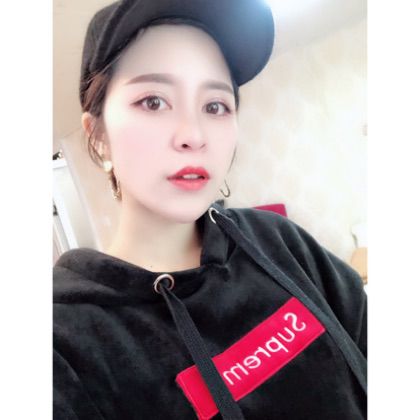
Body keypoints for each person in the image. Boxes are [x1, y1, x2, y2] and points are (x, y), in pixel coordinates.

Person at [53, 1, 367, 419]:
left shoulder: (277, 240)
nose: (194, 135)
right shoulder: (62, 342)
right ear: (98, 137)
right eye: (153, 101)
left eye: (215, 105)